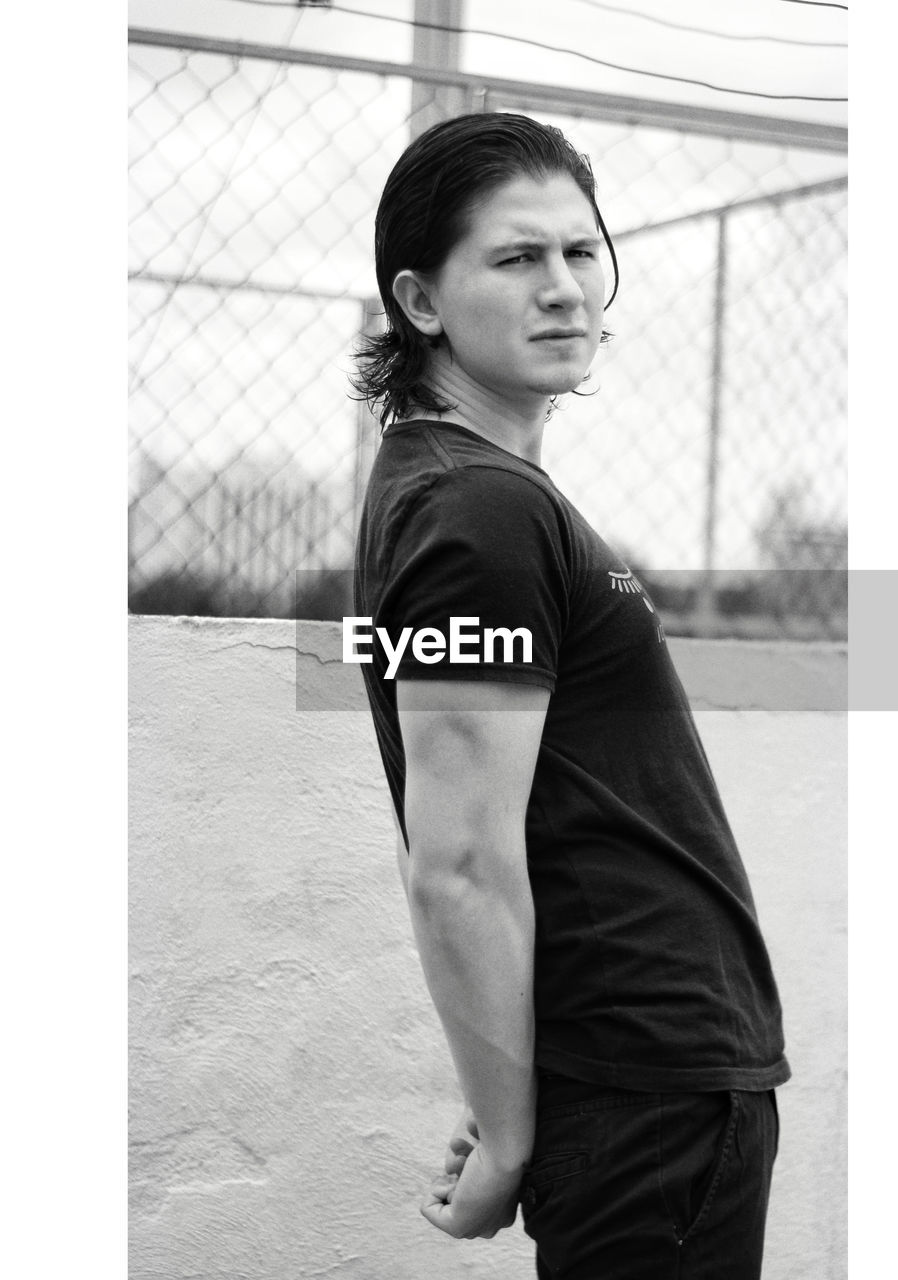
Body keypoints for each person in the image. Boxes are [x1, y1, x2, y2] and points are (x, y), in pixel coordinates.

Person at [351, 112, 789, 1279]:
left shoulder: (479, 494)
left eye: (580, 252)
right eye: (514, 258)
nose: (564, 288)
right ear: (421, 300)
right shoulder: (476, 514)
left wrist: (520, 1093)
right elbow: (456, 860)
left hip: (639, 1078)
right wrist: (507, 1130)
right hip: (644, 1080)